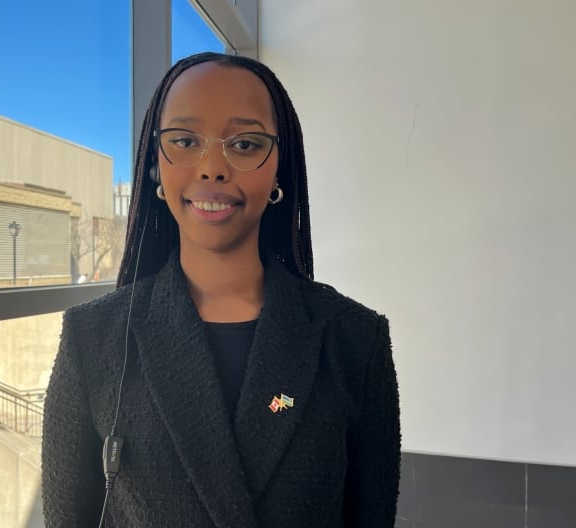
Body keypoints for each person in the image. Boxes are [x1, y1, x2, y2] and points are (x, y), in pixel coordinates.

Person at [42, 52, 400, 527]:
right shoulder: (93, 339)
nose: (212, 167)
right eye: (186, 140)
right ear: (155, 167)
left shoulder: (356, 341)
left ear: (278, 170)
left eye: (246, 144)